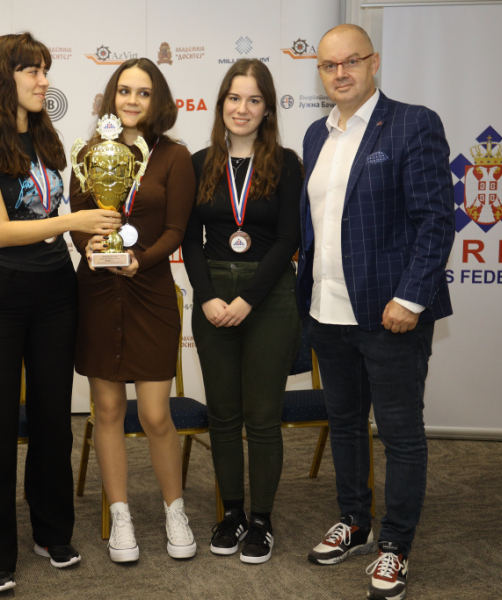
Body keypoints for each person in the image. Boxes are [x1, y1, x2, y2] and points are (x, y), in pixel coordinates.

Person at [0, 32, 122, 594]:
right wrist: (74, 222)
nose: (43, 80)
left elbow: (61, 211)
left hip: (56, 289)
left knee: (54, 419)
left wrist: (97, 236)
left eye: (45, 70)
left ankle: (52, 532)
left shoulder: (49, 137)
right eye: (32, 70)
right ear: (2, 78)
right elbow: (1, 230)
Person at [297, 25, 454, 600]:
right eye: (329, 65)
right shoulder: (315, 134)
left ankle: (396, 545)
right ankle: (355, 522)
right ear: (320, 72)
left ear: (374, 62)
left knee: (400, 435)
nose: (340, 73)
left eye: (351, 61)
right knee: (343, 425)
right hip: (328, 312)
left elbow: (436, 220)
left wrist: (410, 298)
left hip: (391, 316)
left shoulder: (413, 123)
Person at [70, 57, 196, 563]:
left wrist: (138, 260)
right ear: (111, 96)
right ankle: (120, 515)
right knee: (106, 411)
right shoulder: (89, 152)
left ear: (157, 100)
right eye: (124, 91)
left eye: (143, 93)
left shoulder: (174, 157)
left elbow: (176, 229)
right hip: (98, 294)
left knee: (155, 414)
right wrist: (88, 246)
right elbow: (79, 218)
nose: (132, 100)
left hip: (150, 292)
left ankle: (174, 510)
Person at [182, 58, 302, 565]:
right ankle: (231, 514)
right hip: (212, 294)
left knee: (263, 417)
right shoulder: (198, 163)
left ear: (268, 108)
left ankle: (262, 521)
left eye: (254, 99)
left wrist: (248, 298)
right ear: (221, 104)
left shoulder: (287, 163)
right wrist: (208, 295)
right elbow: (189, 239)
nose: (243, 108)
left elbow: (290, 238)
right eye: (234, 98)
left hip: (269, 296)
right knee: (224, 415)